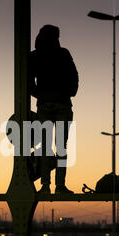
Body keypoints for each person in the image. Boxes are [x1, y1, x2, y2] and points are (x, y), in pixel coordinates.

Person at [29, 24, 79, 194]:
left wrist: (42, 96)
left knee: (44, 148)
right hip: (63, 104)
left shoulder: (34, 56)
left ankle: (45, 186)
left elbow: (29, 83)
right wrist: (69, 93)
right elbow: (74, 76)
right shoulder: (63, 53)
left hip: (44, 105)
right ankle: (60, 186)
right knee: (61, 147)